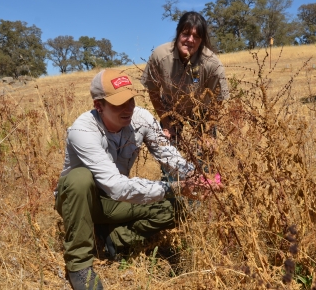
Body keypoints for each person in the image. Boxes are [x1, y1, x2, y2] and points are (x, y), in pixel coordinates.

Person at [55, 69, 220, 290]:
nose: (128, 108)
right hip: (82, 201)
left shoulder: (141, 118)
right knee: (79, 178)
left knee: (179, 209)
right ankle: (79, 264)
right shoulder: (83, 130)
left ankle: (115, 238)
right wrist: (176, 187)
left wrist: (195, 177)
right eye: (118, 103)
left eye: (130, 100)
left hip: (114, 202)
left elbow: (167, 154)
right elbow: (116, 186)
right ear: (98, 105)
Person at [141, 11, 230, 141]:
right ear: (178, 33)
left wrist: (208, 130)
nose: (190, 40)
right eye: (186, 34)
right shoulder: (160, 56)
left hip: (201, 110)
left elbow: (218, 99)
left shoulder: (212, 64)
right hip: (170, 108)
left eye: (196, 36)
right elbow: (153, 90)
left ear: (202, 41)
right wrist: (165, 122)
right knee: (167, 153)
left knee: (205, 154)